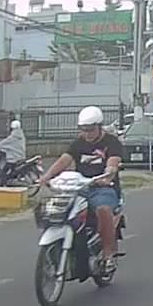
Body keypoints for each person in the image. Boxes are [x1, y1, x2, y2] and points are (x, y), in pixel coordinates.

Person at [36, 106, 123, 272]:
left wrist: (108, 174)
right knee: (57, 210)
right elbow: (64, 160)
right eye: (83, 129)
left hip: (102, 188)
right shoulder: (78, 143)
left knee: (103, 209)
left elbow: (113, 161)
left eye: (90, 129)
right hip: (79, 187)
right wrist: (47, 177)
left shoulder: (111, 142)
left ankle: (108, 254)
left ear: (99, 126)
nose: (87, 133)